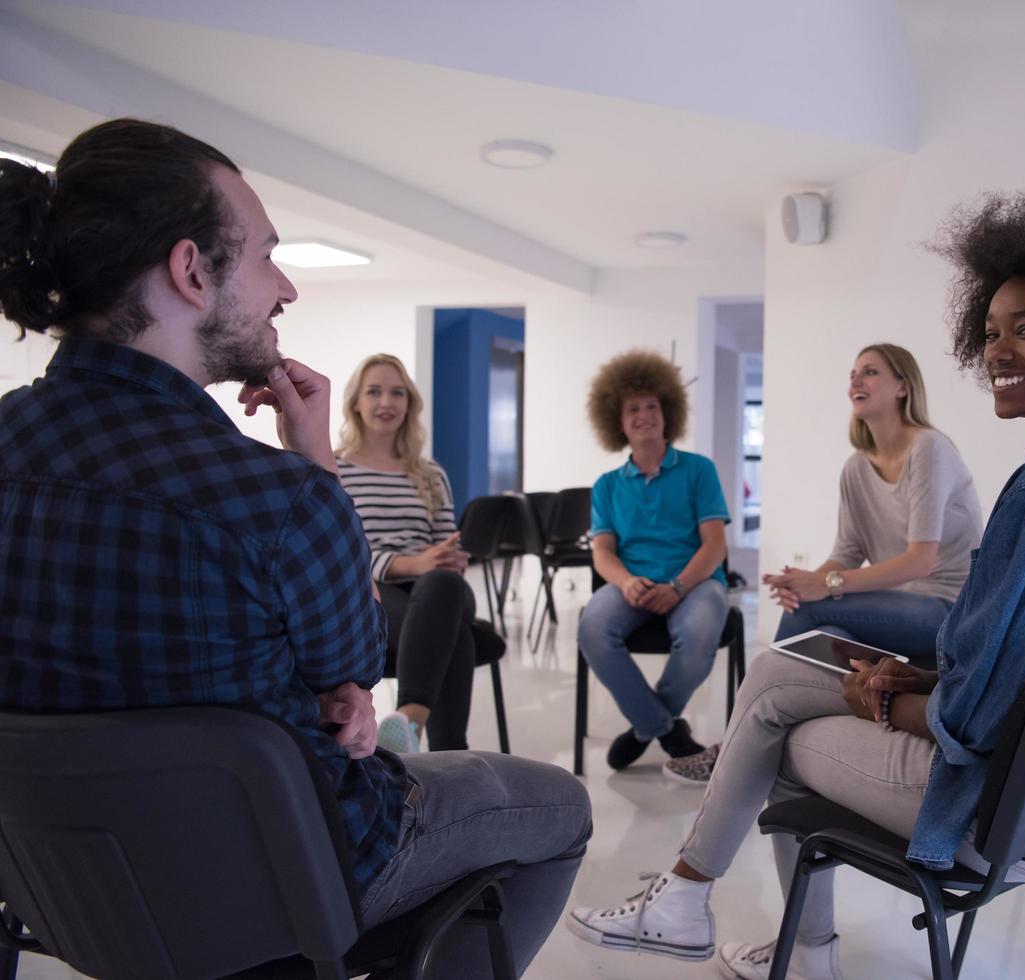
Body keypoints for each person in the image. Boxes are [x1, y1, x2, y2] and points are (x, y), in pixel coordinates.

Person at [0, 119, 589, 978]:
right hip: (285, 871)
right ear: (192, 271)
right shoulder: (276, 494)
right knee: (558, 807)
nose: (286, 289)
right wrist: (314, 461)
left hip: (61, 882)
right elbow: (352, 670)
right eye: (267, 256)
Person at [564, 189, 1025, 980]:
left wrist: (882, 697)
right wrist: (917, 672)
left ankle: (746, 928)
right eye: (992, 330)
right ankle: (700, 906)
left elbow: (975, 718)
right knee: (779, 679)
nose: (998, 350)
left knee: (778, 734)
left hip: (999, 808)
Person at [666, 343, 982, 786]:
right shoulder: (856, 467)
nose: (856, 380)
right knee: (826, 632)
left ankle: (735, 745)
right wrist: (805, 581)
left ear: (902, 387)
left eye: (870, 372)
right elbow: (848, 553)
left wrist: (826, 587)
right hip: (899, 612)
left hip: (951, 612)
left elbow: (920, 561)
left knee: (815, 612)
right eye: (853, 373)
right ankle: (779, 752)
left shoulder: (929, 448)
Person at [336, 352, 500, 754]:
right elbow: (341, 553)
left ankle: (408, 718)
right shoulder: (335, 470)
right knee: (454, 635)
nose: (386, 403)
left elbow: (447, 544)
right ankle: (449, 752)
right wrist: (413, 563)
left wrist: (445, 558)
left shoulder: (429, 473)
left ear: (409, 404)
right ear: (356, 402)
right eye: (374, 392)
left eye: (397, 393)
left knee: (442, 584)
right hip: (371, 590)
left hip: (439, 589)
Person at [578, 349, 731, 770]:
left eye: (651, 406)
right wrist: (626, 582)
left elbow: (715, 545)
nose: (644, 415)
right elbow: (603, 552)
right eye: (633, 409)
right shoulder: (607, 485)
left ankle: (645, 727)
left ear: (668, 414)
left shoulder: (699, 470)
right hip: (632, 584)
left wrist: (679, 586)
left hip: (697, 582)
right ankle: (665, 728)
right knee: (592, 627)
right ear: (618, 421)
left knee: (700, 632)